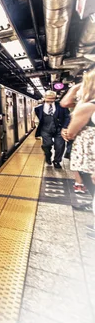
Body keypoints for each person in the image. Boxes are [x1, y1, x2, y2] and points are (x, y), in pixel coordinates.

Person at [62, 69, 95, 239]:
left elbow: (71, 132)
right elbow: (65, 103)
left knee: (92, 184)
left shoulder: (88, 106)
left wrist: (68, 132)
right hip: (90, 153)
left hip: (90, 154)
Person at [34, 90, 70, 168]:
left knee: (60, 146)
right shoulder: (38, 108)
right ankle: (48, 155)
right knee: (47, 144)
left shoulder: (61, 106)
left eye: (52, 98)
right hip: (45, 129)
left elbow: (67, 117)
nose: (50, 100)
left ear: (55, 98)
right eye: (48, 98)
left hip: (59, 129)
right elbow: (39, 118)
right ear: (44, 97)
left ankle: (57, 161)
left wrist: (65, 127)